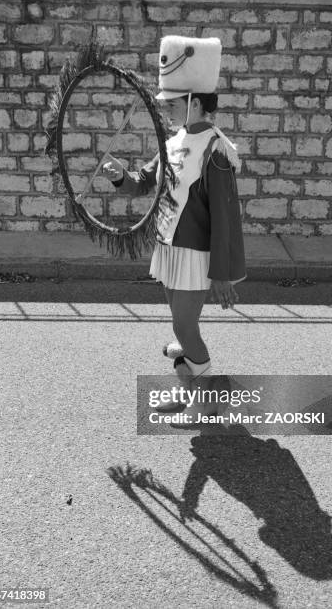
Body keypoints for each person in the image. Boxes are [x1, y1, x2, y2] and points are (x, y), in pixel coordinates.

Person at [103, 36, 246, 426]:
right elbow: (145, 181)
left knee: (185, 326)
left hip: (197, 255)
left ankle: (206, 399)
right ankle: (190, 381)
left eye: (173, 103)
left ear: (195, 101)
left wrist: (221, 274)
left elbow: (224, 217)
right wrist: (121, 177)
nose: (166, 110)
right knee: (179, 323)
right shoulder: (174, 142)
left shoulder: (215, 150)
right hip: (169, 247)